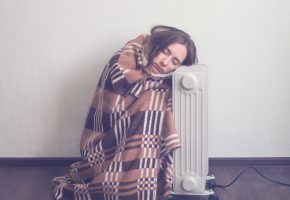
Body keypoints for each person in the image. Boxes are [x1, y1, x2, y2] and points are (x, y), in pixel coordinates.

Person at [52, 25, 197, 200]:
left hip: (132, 145)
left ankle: (144, 174)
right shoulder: (126, 59)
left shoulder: (162, 81)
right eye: (165, 52)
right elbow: (124, 83)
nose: (165, 62)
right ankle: (132, 179)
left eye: (175, 62)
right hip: (103, 144)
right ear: (157, 45)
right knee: (153, 100)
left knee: (157, 99)